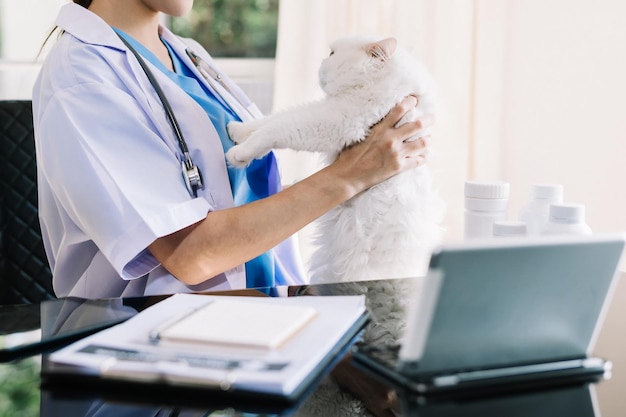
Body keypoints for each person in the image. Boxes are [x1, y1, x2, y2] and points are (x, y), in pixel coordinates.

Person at [33, 2, 432, 414]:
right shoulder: (81, 75)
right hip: (147, 378)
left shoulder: (187, 54)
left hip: (258, 343)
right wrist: (349, 176)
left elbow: (251, 207)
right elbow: (191, 254)